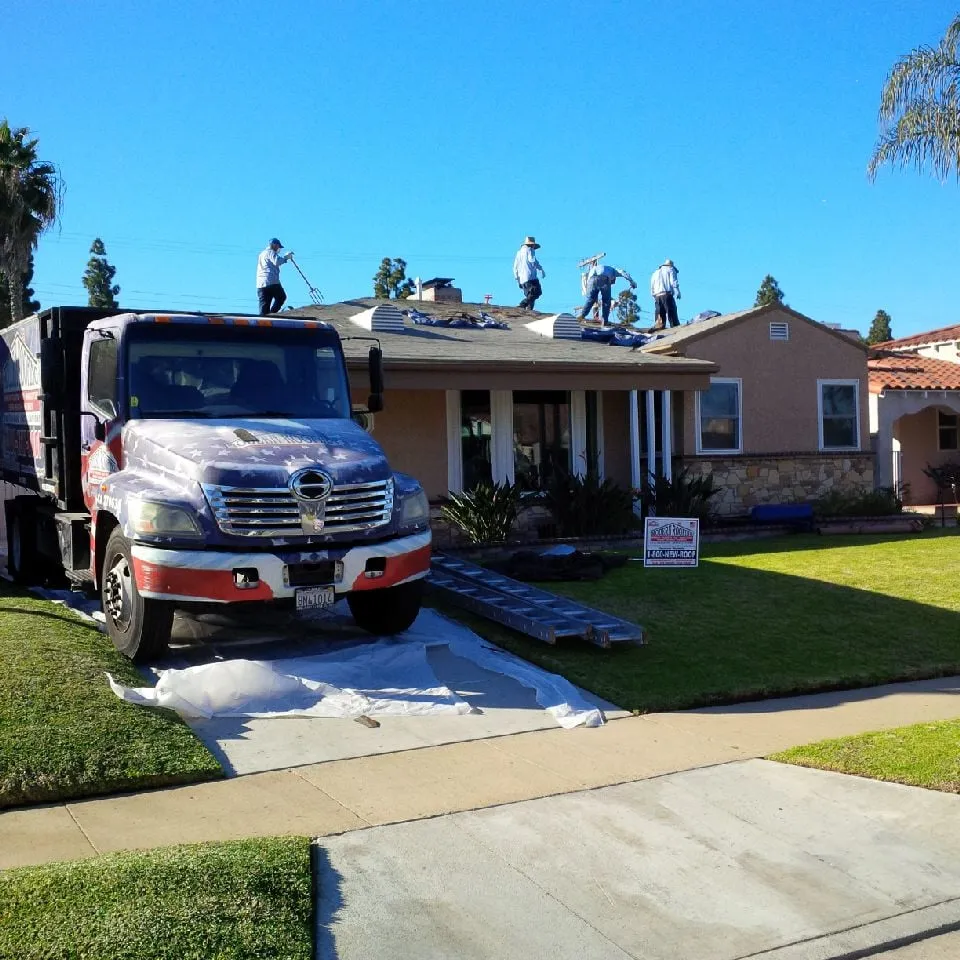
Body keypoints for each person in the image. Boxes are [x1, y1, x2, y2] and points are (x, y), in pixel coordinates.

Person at [256, 238, 294, 315]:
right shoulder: (271, 252)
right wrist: (286, 258)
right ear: (274, 245)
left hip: (260, 284)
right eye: (278, 246)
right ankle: (273, 313)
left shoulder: (262, 254)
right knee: (281, 297)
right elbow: (277, 261)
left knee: (264, 305)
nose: (278, 248)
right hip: (271, 281)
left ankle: (263, 319)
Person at [513, 236, 546, 310]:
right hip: (531, 277)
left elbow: (515, 267)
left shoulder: (518, 253)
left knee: (530, 295)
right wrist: (540, 269)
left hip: (522, 278)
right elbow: (533, 260)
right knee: (536, 292)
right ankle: (522, 304)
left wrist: (517, 278)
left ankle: (529, 309)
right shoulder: (530, 250)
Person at [650, 258, 681, 329]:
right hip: (667, 294)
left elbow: (652, 287)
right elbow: (673, 282)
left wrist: (654, 296)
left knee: (659, 317)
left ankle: (659, 329)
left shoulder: (655, 273)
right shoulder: (670, 269)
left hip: (657, 296)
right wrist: (678, 292)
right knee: (672, 314)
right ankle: (676, 329)